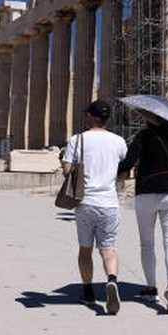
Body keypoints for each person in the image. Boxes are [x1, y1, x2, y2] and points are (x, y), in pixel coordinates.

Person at [61, 100, 127, 314]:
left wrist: (63, 160)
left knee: (85, 249)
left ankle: (88, 290)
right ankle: (112, 280)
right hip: (109, 203)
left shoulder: (77, 140)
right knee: (108, 250)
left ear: (90, 117)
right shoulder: (119, 142)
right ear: (107, 119)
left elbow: (67, 171)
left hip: (85, 202)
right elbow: (124, 172)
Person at [118, 113, 168, 313]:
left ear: (149, 119)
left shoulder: (143, 136)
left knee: (147, 243)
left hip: (146, 192)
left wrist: (116, 170)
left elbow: (128, 163)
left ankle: (151, 287)